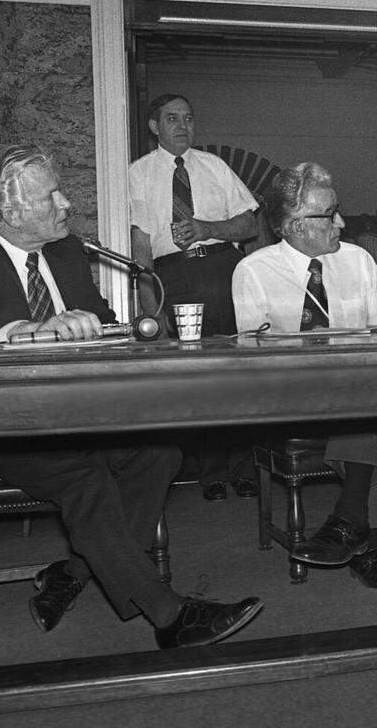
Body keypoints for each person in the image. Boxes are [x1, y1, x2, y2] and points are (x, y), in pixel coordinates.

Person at [0, 144, 262, 647]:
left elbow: (99, 319)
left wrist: (123, 333)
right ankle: (169, 616)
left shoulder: (67, 250)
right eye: (51, 194)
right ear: (8, 212)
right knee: (84, 476)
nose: (66, 204)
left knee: (158, 452)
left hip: (73, 415)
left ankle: (74, 571)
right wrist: (23, 330)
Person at [232, 162, 377, 589]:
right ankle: (366, 540)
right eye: (329, 214)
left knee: (373, 396)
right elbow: (251, 354)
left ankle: (352, 524)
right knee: (372, 403)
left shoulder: (360, 261)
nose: (341, 223)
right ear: (293, 225)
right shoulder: (254, 270)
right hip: (289, 398)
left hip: (357, 392)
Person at [128, 93, 260, 502]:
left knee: (238, 373)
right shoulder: (136, 174)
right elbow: (141, 249)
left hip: (224, 270)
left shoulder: (214, 166)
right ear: (154, 126)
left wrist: (206, 227)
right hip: (175, 276)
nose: (183, 125)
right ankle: (212, 474)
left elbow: (248, 225)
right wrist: (153, 311)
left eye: (188, 117)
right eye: (172, 118)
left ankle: (245, 467)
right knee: (201, 378)